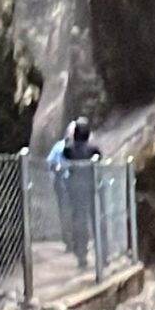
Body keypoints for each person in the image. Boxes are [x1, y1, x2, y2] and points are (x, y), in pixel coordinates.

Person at [48, 116, 102, 270]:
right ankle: (101, 254)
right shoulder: (93, 150)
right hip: (91, 187)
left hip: (74, 188)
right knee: (96, 219)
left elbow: (64, 157)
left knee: (79, 220)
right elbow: (99, 155)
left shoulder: (68, 150)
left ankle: (81, 253)